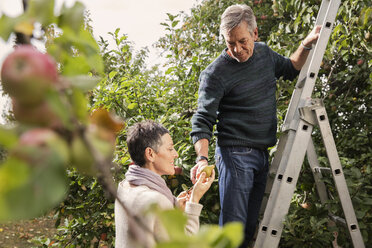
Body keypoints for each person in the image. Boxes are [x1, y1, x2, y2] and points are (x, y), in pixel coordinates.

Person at [189, 4, 321, 248]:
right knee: (234, 231)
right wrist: (202, 159)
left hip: (261, 154)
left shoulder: (263, 54)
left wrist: (306, 44)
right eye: (230, 43)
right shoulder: (215, 74)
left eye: (242, 41)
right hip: (234, 155)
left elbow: (291, 68)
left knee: (250, 228)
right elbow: (202, 120)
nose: (237, 49)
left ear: (255, 34)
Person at [115, 120, 215, 248]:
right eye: (170, 149)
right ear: (150, 154)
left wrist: (173, 210)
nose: (175, 154)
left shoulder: (124, 186)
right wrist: (194, 200)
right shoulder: (156, 200)